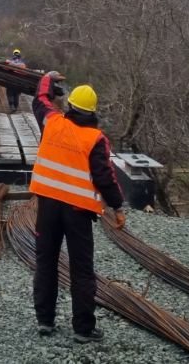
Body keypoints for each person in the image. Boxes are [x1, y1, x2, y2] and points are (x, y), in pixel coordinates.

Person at [29, 70, 125, 344]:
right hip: (78, 213)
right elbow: (105, 177)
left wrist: (47, 77)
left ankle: (45, 321)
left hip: (47, 208)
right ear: (93, 112)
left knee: (45, 263)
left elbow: (41, 98)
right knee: (81, 269)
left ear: (70, 106)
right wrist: (117, 208)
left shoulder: (52, 122)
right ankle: (83, 329)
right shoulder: (96, 139)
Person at [5, 48, 28, 114]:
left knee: (11, 94)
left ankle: (12, 106)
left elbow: (7, 67)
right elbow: (24, 69)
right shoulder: (22, 62)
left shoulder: (10, 61)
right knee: (16, 95)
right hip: (18, 81)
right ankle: (14, 107)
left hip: (11, 80)